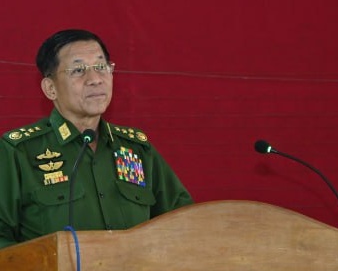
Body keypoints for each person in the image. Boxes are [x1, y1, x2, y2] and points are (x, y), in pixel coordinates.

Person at [0, 29, 194, 249]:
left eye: (101, 67)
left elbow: (184, 222)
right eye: (78, 70)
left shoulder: (137, 150)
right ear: (50, 88)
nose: (95, 80)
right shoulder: (18, 151)